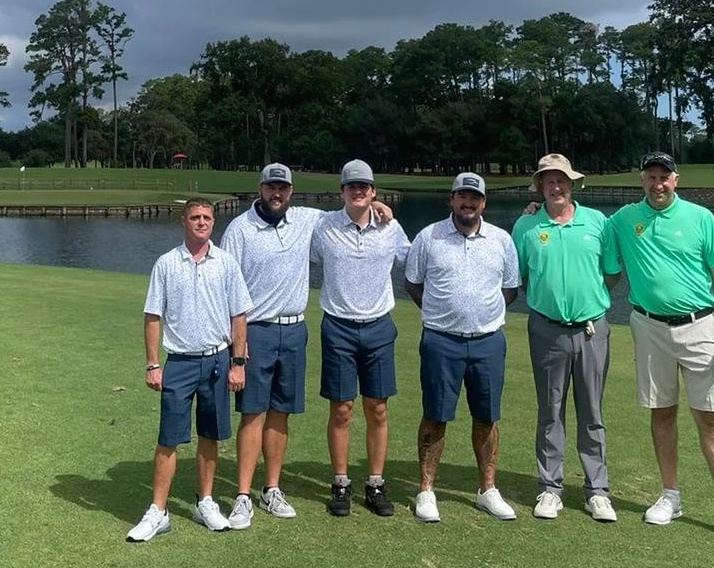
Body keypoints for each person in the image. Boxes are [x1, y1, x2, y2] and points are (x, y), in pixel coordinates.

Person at [604, 152, 714, 545]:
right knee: (662, 411)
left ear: (675, 180)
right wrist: (538, 209)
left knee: (711, 418)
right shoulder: (624, 220)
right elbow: (584, 224)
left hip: (700, 328)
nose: (657, 184)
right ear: (642, 180)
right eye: (651, 177)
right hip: (648, 326)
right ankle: (670, 496)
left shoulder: (700, 218)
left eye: (664, 177)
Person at [217, 162, 393, 530]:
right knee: (252, 413)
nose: (276, 193)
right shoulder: (239, 229)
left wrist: (375, 206)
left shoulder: (306, 220)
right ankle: (243, 495)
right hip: (256, 330)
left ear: (291, 191)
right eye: (270, 187)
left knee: (280, 413)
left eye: (282, 188)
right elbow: (226, 287)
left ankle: (271, 488)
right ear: (260, 189)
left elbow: (349, 212)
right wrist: (236, 345)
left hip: (295, 329)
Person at [126, 198, 253, 542]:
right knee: (168, 438)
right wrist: (153, 363)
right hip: (179, 361)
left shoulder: (226, 263)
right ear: (183, 221)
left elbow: (239, 316)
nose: (201, 222)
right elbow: (153, 316)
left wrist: (238, 363)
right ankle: (158, 511)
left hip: (217, 361)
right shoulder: (167, 263)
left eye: (207, 217)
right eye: (195, 217)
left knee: (210, 435)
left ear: (213, 222)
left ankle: (205, 502)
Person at [403, 172, 521, 523]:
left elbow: (510, 289)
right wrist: (442, 313)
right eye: (461, 196)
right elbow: (413, 284)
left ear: (483, 202)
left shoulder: (501, 239)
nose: (468, 203)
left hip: (488, 341)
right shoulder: (429, 236)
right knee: (435, 415)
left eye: (474, 198)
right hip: (441, 340)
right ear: (451, 199)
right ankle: (426, 490)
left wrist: (481, 314)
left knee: (486, 416)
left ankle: (487, 490)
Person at [512, 153, 616, 522]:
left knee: (592, 412)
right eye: (549, 181)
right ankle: (550, 488)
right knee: (550, 410)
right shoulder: (526, 226)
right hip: (546, 329)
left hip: (591, 329)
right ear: (540, 186)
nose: (556, 187)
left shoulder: (598, 222)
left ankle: (597, 491)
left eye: (562, 180)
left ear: (572, 184)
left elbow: (611, 273)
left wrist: (589, 301)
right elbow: (518, 276)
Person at [309, 159, 411, 517]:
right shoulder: (323, 226)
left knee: (377, 408)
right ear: (341, 191)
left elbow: (415, 258)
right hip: (338, 326)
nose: (358, 191)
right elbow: (291, 225)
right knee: (341, 408)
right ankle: (340, 483)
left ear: (373, 191)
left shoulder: (390, 227)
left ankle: (375, 483)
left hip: (379, 326)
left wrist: (381, 209)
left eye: (364, 187)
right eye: (351, 186)